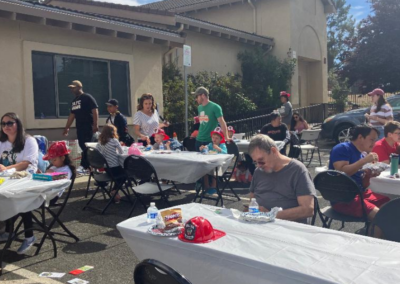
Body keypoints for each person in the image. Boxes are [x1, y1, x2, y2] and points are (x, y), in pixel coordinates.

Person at [329, 125, 390, 233]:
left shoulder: (362, 155)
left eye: (375, 140)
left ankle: (369, 232)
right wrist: (364, 161)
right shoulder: (343, 148)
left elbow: (364, 185)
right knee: (381, 218)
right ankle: (374, 242)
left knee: (390, 206)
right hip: (344, 197)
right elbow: (341, 172)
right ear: (360, 137)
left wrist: (369, 174)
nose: (374, 143)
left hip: (360, 193)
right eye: (371, 139)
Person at [248, 134, 315, 223]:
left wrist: (270, 215)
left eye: (261, 161)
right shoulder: (258, 171)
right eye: (255, 162)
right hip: (259, 224)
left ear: (274, 151)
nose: (258, 166)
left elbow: (308, 209)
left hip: (287, 227)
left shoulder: (297, 170)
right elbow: (252, 199)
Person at [0, 112, 39, 254]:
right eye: (3, 124)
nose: (6, 126)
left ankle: (29, 236)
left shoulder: (29, 141)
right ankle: (7, 231)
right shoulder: (2, 142)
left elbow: (26, 163)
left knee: (21, 201)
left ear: (18, 123)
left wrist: (5, 168)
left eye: (9, 123)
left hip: (26, 178)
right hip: (6, 179)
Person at [63, 80, 99, 170]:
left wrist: (95, 124)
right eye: (71, 88)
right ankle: (88, 166)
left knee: (87, 146)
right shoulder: (74, 101)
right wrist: (67, 127)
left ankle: (85, 166)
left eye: (73, 88)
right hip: (79, 127)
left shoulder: (87, 97)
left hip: (88, 126)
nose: (71, 90)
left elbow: (95, 110)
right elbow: (72, 115)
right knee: (82, 146)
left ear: (79, 87)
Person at [193, 87, 231, 151]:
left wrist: (226, 137)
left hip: (210, 141)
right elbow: (203, 122)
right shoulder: (199, 107)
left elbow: (222, 122)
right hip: (198, 140)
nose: (196, 99)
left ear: (203, 95)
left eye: (197, 96)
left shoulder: (215, 107)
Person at [96, 125, 125, 203]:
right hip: (114, 166)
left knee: (118, 177)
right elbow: (121, 152)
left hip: (106, 168)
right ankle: (115, 190)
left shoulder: (100, 142)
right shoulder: (114, 140)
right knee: (125, 175)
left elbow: (97, 152)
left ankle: (115, 191)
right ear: (113, 132)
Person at [199, 128, 228, 194]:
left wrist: (219, 149)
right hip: (210, 164)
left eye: (216, 138)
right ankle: (206, 186)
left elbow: (226, 153)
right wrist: (202, 148)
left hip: (219, 165)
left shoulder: (222, 145)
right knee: (204, 170)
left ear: (221, 139)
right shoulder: (210, 145)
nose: (214, 139)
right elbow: (206, 149)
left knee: (215, 169)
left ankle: (213, 186)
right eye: (213, 137)